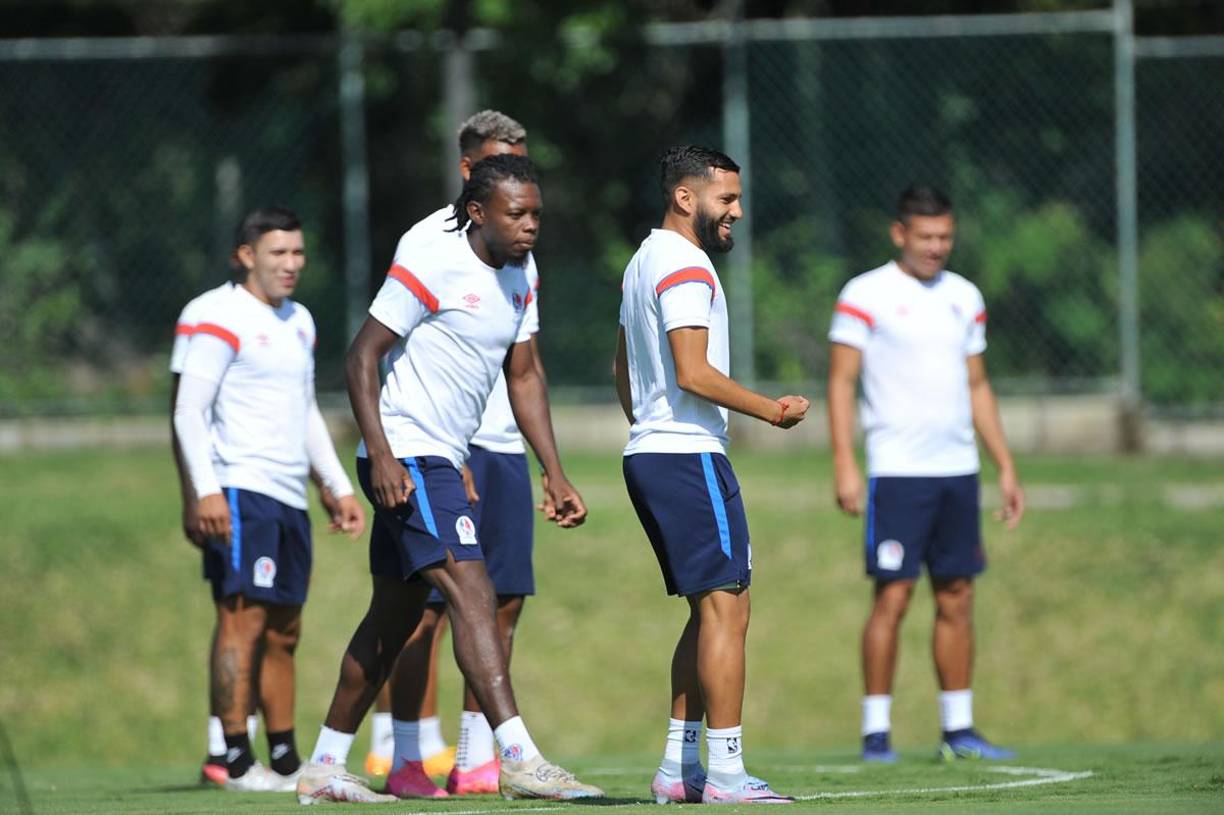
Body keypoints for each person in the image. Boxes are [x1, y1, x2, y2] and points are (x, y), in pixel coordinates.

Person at [295, 154, 603, 804]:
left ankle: (324, 762)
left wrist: (554, 470)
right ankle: (518, 754)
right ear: (477, 211)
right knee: (473, 588)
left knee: (393, 616)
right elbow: (361, 357)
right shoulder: (434, 261)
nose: (529, 226)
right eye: (516, 213)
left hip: (439, 456)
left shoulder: (524, 275)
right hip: (408, 453)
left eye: (536, 214)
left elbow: (523, 376)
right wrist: (380, 453)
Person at [367, 110, 558, 799]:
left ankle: (477, 758)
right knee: (431, 604)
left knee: (501, 601)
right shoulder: (430, 240)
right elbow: (384, 351)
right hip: (443, 443)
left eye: (523, 159)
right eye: (499, 160)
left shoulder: (520, 254)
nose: (515, 171)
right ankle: (411, 752)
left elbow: (524, 367)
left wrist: (550, 467)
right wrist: (443, 453)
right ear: (468, 172)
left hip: (502, 446)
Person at [614, 145, 808, 805]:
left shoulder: (643, 259)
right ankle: (725, 774)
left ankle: (678, 767)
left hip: (651, 450)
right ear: (685, 197)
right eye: (726, 198)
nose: (737, 211)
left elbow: (624, 365)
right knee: (728, 606)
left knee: (711, 611)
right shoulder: (685, 264)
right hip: (686, 453)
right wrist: (772, 411)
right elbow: (693, 372)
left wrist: (645, 423)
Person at [826, 184, 1026, 763]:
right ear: (900, 234)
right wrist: (845, 463)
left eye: (946, 237)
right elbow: (841, 383)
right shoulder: (865, 294)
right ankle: (876, 733)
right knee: (893, 596)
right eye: (927, 237)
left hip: (957, 470)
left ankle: (958, 729)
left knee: (958, 595)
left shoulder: (965, 296)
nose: (937, 247)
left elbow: (978, 385)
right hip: (897, 471)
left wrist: (1005, 467)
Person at [173, 206, 366, 792]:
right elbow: (188, 410)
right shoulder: (215, 315)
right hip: (239, 488)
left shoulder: (300, 320)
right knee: (242, 620)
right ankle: (231, 758)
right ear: (245, 255)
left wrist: (335, 485)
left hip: (288, 496)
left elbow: (304, 410)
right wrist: (205, 491)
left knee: (286, 628)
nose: (290, 264)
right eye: (277, 252)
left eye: (298, 253)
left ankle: (283, 758)